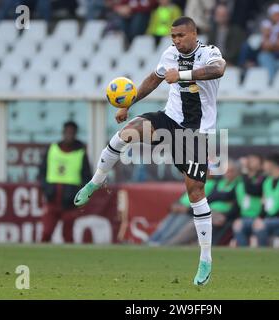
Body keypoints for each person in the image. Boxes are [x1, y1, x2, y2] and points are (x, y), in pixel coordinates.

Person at [74, 16, 226, 286]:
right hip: (169, 119)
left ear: (193, 34)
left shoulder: (209, 53)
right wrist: (129, 103)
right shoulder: (169, 54)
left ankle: (205, 259)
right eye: (173, 37)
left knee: (195, 192)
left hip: (196, 133)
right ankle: (96, 181)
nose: (176, 41)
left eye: (181, 36)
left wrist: (181, 75)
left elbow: (218, 70)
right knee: (125, 134)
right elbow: (154, 80)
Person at [38, 121, 92, 243]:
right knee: (46, 232)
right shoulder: (52, 149)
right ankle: (41, 259)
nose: (69, 135)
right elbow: (42, 172)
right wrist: (46, 189)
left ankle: (69, 261)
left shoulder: (80, 153)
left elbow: (86, 176)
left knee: (67, 235)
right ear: (63, 133)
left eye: (71, 132)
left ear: (75, 134)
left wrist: (78, 195)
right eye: (67, 132)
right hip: (52, 199)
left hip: (70, 202)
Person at [231, 154, 265, 247]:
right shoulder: (241, 180)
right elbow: (236, 201)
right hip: (244, 217)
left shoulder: (263, 178)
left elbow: (252, 190)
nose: (249, 161)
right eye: (249, 159)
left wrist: (245, 171)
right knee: (237, 225)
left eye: (254, 159)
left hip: (259, 217)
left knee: (258, 228)